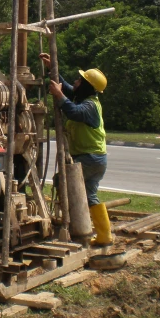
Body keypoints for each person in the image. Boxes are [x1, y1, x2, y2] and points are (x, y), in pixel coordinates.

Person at [39, 52, 112, 245]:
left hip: (90, 157)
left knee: (62, 182)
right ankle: (103, 235)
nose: (76, 81)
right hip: (94, 157)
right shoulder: (83, 97)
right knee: (89, 194)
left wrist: (59, 95)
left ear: (88, 86)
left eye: (80, 80)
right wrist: (51, 69)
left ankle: (73, 226)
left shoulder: (89, 106)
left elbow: (72, 111)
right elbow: (68, 91)